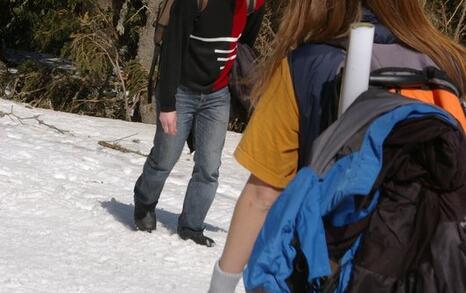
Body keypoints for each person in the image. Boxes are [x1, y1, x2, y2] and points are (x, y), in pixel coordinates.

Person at [208, 0, 466, 291]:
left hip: (341, 269)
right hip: (440, 266)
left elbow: (262, 196)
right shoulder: (452, 65)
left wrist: (222, 284)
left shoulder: (305, 67)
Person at [133, 0, 265, 247]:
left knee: (209, 167)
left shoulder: (254, 5)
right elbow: (172, 48)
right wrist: (168, 105)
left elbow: (245, 43)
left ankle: (191, 226)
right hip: (181, 90)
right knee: (165, 158)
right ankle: (144, 202)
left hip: (217, 95)